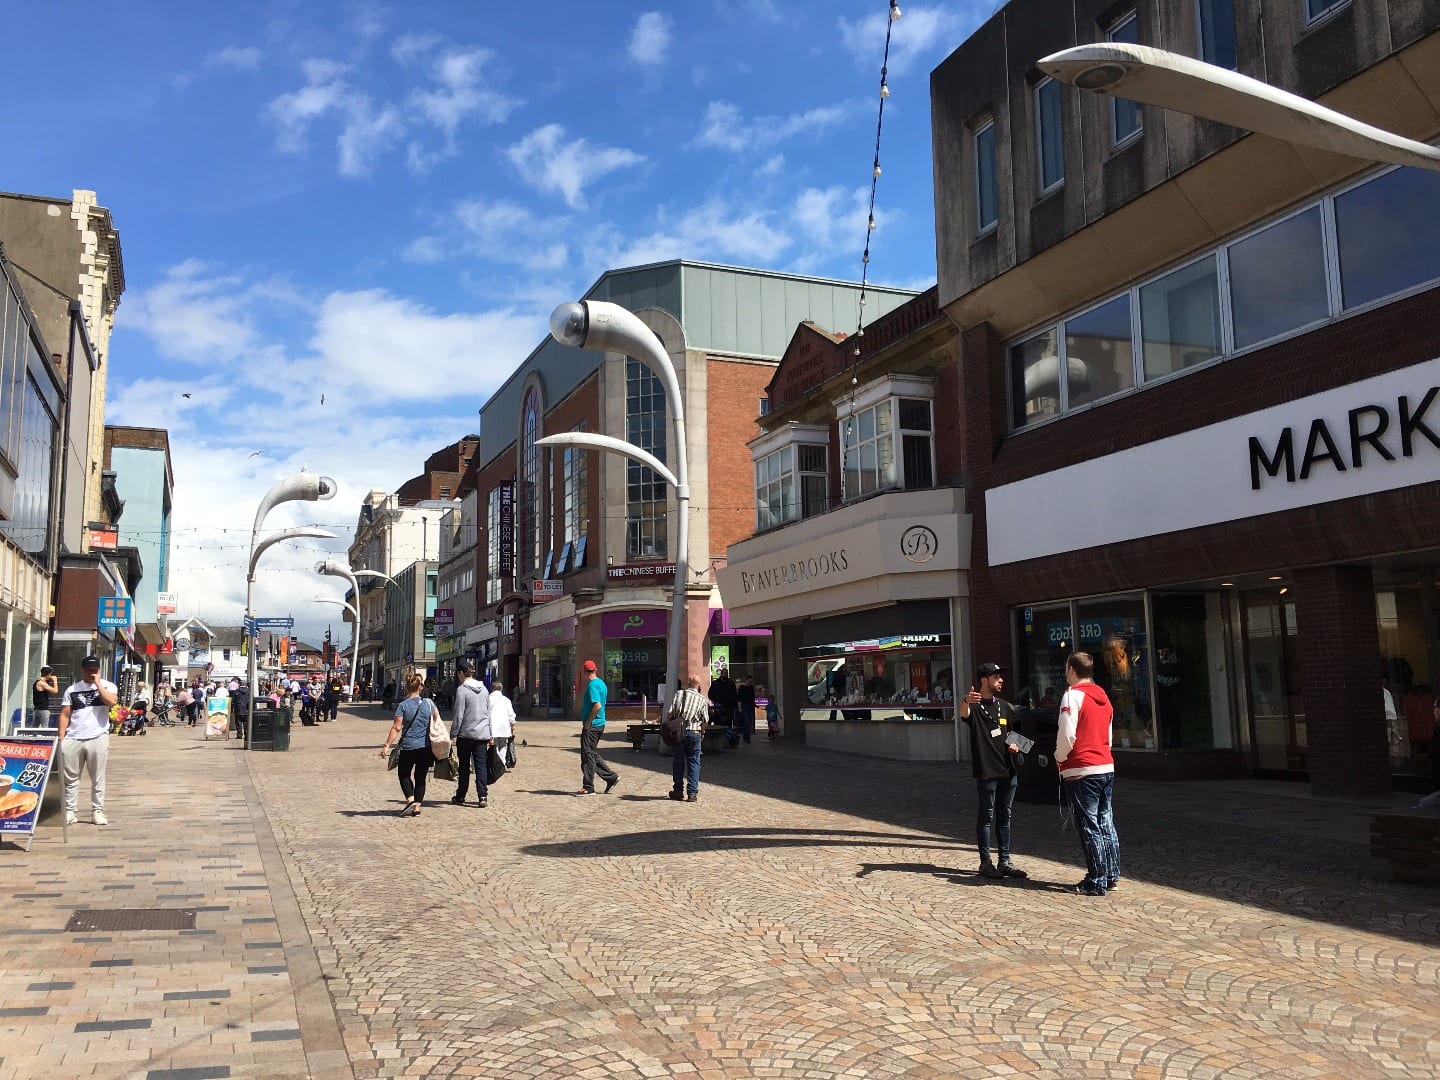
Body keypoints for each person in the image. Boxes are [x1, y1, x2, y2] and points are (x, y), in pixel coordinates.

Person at [1056, 652, 1120, 897]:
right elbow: (1109, 735)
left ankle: (1096, 879)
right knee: (1106, 822)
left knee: (1089, 825)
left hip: (1082, 768)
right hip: (1105, 765)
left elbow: (1067, 735)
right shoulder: (1104, 697)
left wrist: (1060, 757)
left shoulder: (1072, 696)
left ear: (1072, 669)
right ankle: (1111, 874)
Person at [959, 662, 1027, 881]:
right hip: (987, 770)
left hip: (1008, 769)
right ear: (984, 679)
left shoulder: (1006, 707)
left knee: (1005, 815)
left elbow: (1022, 737)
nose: (1001, 680)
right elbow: (963, 714)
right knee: (986, 816)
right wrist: (965, 701)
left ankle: (1004, 861)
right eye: (996, 677)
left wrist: (1016, 745)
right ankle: (985, 862)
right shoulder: (974, 706)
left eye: (1000, 676)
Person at [57, 656, 117, 826]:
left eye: (95, 669)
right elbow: (65, 714)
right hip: (73, 737)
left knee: (98, 777)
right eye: (89, 669)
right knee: (71, 778)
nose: (92, 672)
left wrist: (98, 684)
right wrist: (62, 737)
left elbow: (111, 702)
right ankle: (70, 812)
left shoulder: (108, 686)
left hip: (98, 736)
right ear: (82, 670)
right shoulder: (72, 690)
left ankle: (97, 811)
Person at [379, 670, 438, 816]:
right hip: (425, 747)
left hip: (408, 747)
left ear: (406, 687)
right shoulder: (429, 703)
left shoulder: (403, 706)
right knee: (420, 776)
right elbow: (437, 720)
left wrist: (387, 745)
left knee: (404, 774)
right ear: (420, 687)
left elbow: (396, 727)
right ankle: (417, 806)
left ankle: (410, 799)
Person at [448, 661, 492, 808]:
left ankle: (461, 796)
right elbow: (488, 712)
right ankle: (483, 796)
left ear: (461, 673)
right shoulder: (484, 689)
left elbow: (458, 715)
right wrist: (489, 732)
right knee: (481, 766)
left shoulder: (462, 690)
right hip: (481, 734)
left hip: (465, 735)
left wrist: (453, 733)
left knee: (464, 767)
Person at [576, 659, 619, 796]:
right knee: (592, 753)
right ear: (595, 670)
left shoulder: (593, 685)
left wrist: (588, 721)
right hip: (600, 724)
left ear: (584, 672)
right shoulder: (602, 684)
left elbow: (597, 705)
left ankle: (588, 786)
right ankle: (611, 777)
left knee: (587, 755)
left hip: (593, 725)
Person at [668, 675, 709, 802]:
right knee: (694, 762)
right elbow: (705, 720)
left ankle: (678, 790)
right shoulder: (702, 699)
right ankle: (692, 793)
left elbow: (670, 713)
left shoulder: (679, 694)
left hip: (679, 733)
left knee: (678, 762)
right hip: (694, 732)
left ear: (687, 682)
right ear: (699, 685)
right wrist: (702, 731)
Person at [490, 681, 517, 767]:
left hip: (493, 727)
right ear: (501, 689)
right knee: (503, 746)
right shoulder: (506, 700)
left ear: (492, 688)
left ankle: (496, 763)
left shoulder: (488, 699)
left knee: (495, 746)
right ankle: (501, 763)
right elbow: (511, 715)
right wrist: (512, 724)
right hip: (504, 727)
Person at [736, 676, 757, 744]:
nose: (750, 682)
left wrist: (754, 704)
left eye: (751, 681)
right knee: (746, 721)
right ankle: (747, 737)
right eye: (749, 681)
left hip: (750, 706)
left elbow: (752, 697)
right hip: (744, 705)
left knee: (749, 721)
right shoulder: (742, 687)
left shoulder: (751, 687)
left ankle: (745, 736)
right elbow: (739, 698)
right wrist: (739, 707)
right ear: (746, 680)